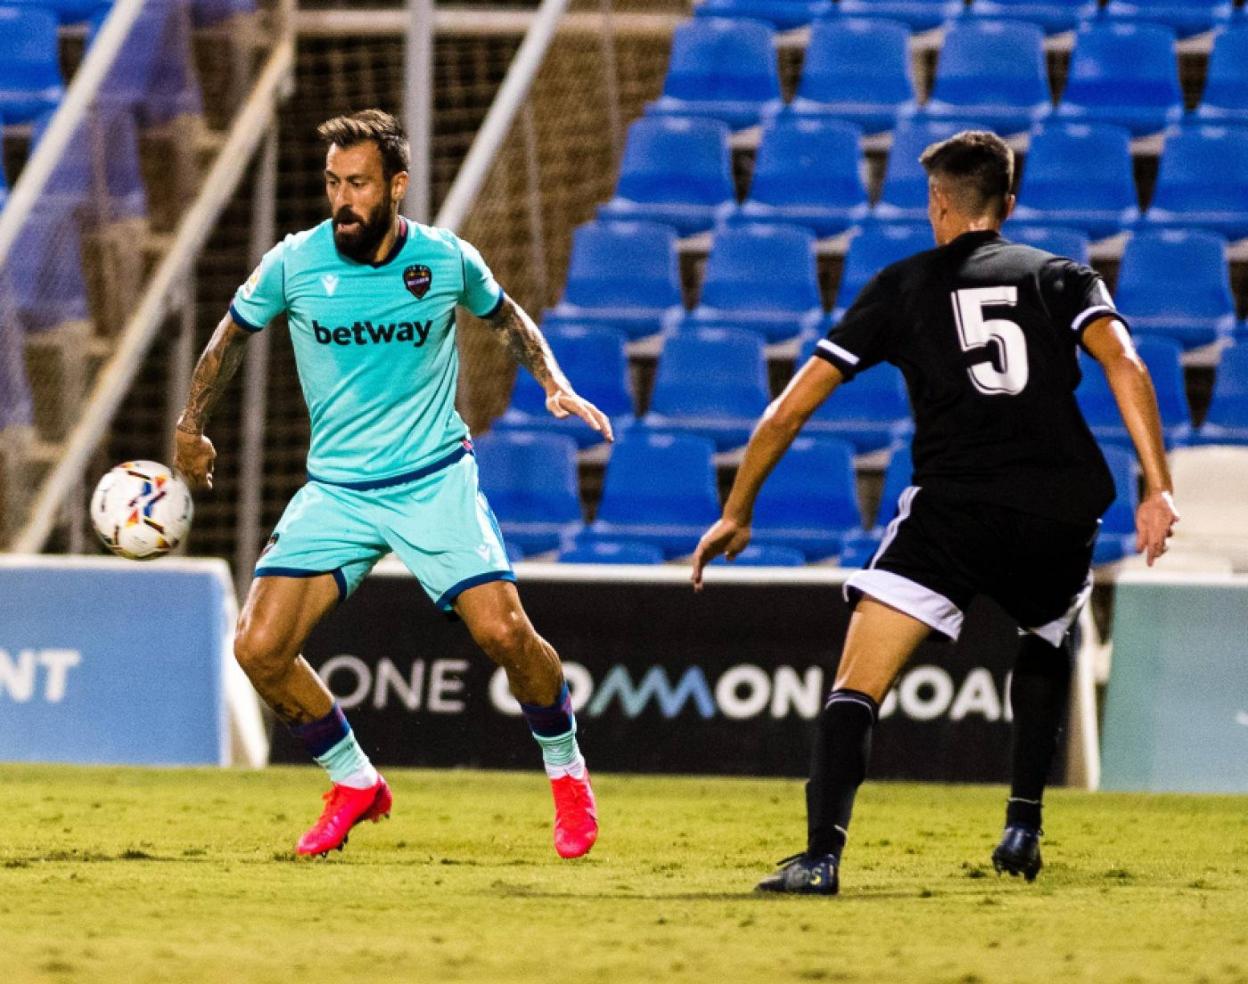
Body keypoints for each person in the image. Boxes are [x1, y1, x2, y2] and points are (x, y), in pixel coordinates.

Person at [691, 130, 1180, 895]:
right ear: (1007, 205)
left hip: (954, 509)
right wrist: (1158, 486)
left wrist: (737, 508)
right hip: (1059, 507)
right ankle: (1022, 823)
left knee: (858, 681)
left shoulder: (903, 285)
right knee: (1049, 635)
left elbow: (791, 409)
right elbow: (1127, 361)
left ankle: (820, 857)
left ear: (938, 203)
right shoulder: (1062, 276)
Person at [173, 109, 611, 860]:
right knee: (258, 647)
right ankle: (354, 782)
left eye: (360, 185)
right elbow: (230, 335)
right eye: (334, 184)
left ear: (397, 186)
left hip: (433, 478)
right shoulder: (294, 263)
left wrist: (554, 383)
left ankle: (568, 771)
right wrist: (190, 424)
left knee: (505, 633)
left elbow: (507, 319)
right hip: (337, 490)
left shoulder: (444, 260)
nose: (343, 200)